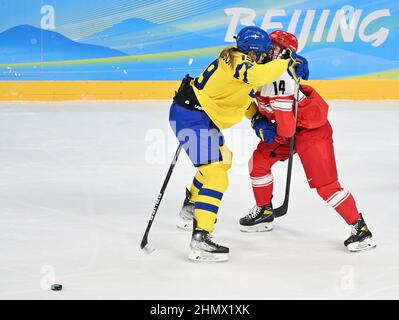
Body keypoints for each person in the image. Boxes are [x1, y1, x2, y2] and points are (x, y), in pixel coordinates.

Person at [169, 26, 302, 262]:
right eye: (262, 53)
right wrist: (287, 61)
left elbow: (241, 96)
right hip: (191, 116)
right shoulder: (238, 63)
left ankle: (191, 206)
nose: (264, 57)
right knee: (217, 173)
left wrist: (256, 118)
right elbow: (257, 77)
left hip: (196, 115)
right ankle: (201, 237)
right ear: (252, 53)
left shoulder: (239, 61)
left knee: (222, 161)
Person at [239, 30, 376, 252]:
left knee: (326, 187)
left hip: (311, 132)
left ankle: (360, 229)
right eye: (269, 45)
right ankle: (264, 210)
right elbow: (242, 98)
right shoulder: (256, 69)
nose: (268, 50)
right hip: (285, 127)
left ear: (285, 53)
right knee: (258, 164)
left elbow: (286, 126)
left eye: (275, 47)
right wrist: (256, 119)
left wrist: (268, 131)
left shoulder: (280, 78)